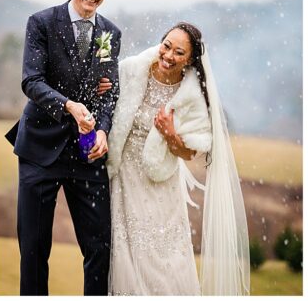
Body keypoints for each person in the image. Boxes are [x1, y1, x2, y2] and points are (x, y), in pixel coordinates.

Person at [5, 0, 122, 295]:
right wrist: (69, 106)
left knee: (100, 248)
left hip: (87, 154)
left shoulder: (109, 34)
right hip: (40, 148)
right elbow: (31, 81)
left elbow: (108, 92)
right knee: (34, 249)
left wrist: (102, 129)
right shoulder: (41, 22)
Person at [106, 22, 250, 295]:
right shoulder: (131, 70)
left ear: (190, 60)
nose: (169, 55)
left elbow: (192, 152)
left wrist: (171, 135)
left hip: (162, 183)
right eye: (167, 46)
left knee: (165, 255)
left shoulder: (191, 96)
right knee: (126, 250)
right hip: (124, 176)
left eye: (179, 52)